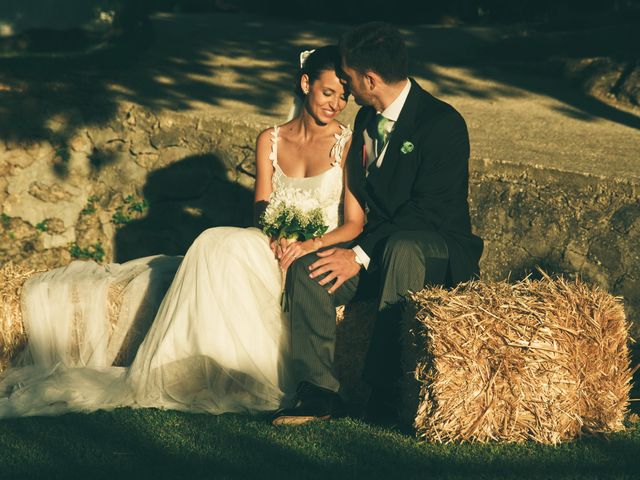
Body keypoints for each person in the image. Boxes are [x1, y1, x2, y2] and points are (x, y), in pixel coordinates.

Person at [0, 45, 364, 417]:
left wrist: (309, 244)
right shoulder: (269, 139)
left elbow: (355, 222)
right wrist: (275, 235)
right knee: (214, 241)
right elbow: (261, 209)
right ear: (306, 84)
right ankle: (194, 370)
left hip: (316, 252)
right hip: (271, 245)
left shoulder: (347, 143)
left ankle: (243, 374)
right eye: (328, 92)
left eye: (344, 95)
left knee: (227, 249)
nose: (336, 103)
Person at [272, 23, 483, 426]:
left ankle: (390, 394)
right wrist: (341, 248)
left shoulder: (442, 124)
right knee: (308, 270)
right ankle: (319, 393)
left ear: (370, 79)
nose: (346, 90)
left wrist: (359, 254)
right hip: (378, 252)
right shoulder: (368, 120)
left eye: (348, 79)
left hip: (435, 250)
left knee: (403, 247)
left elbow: (428, 211)